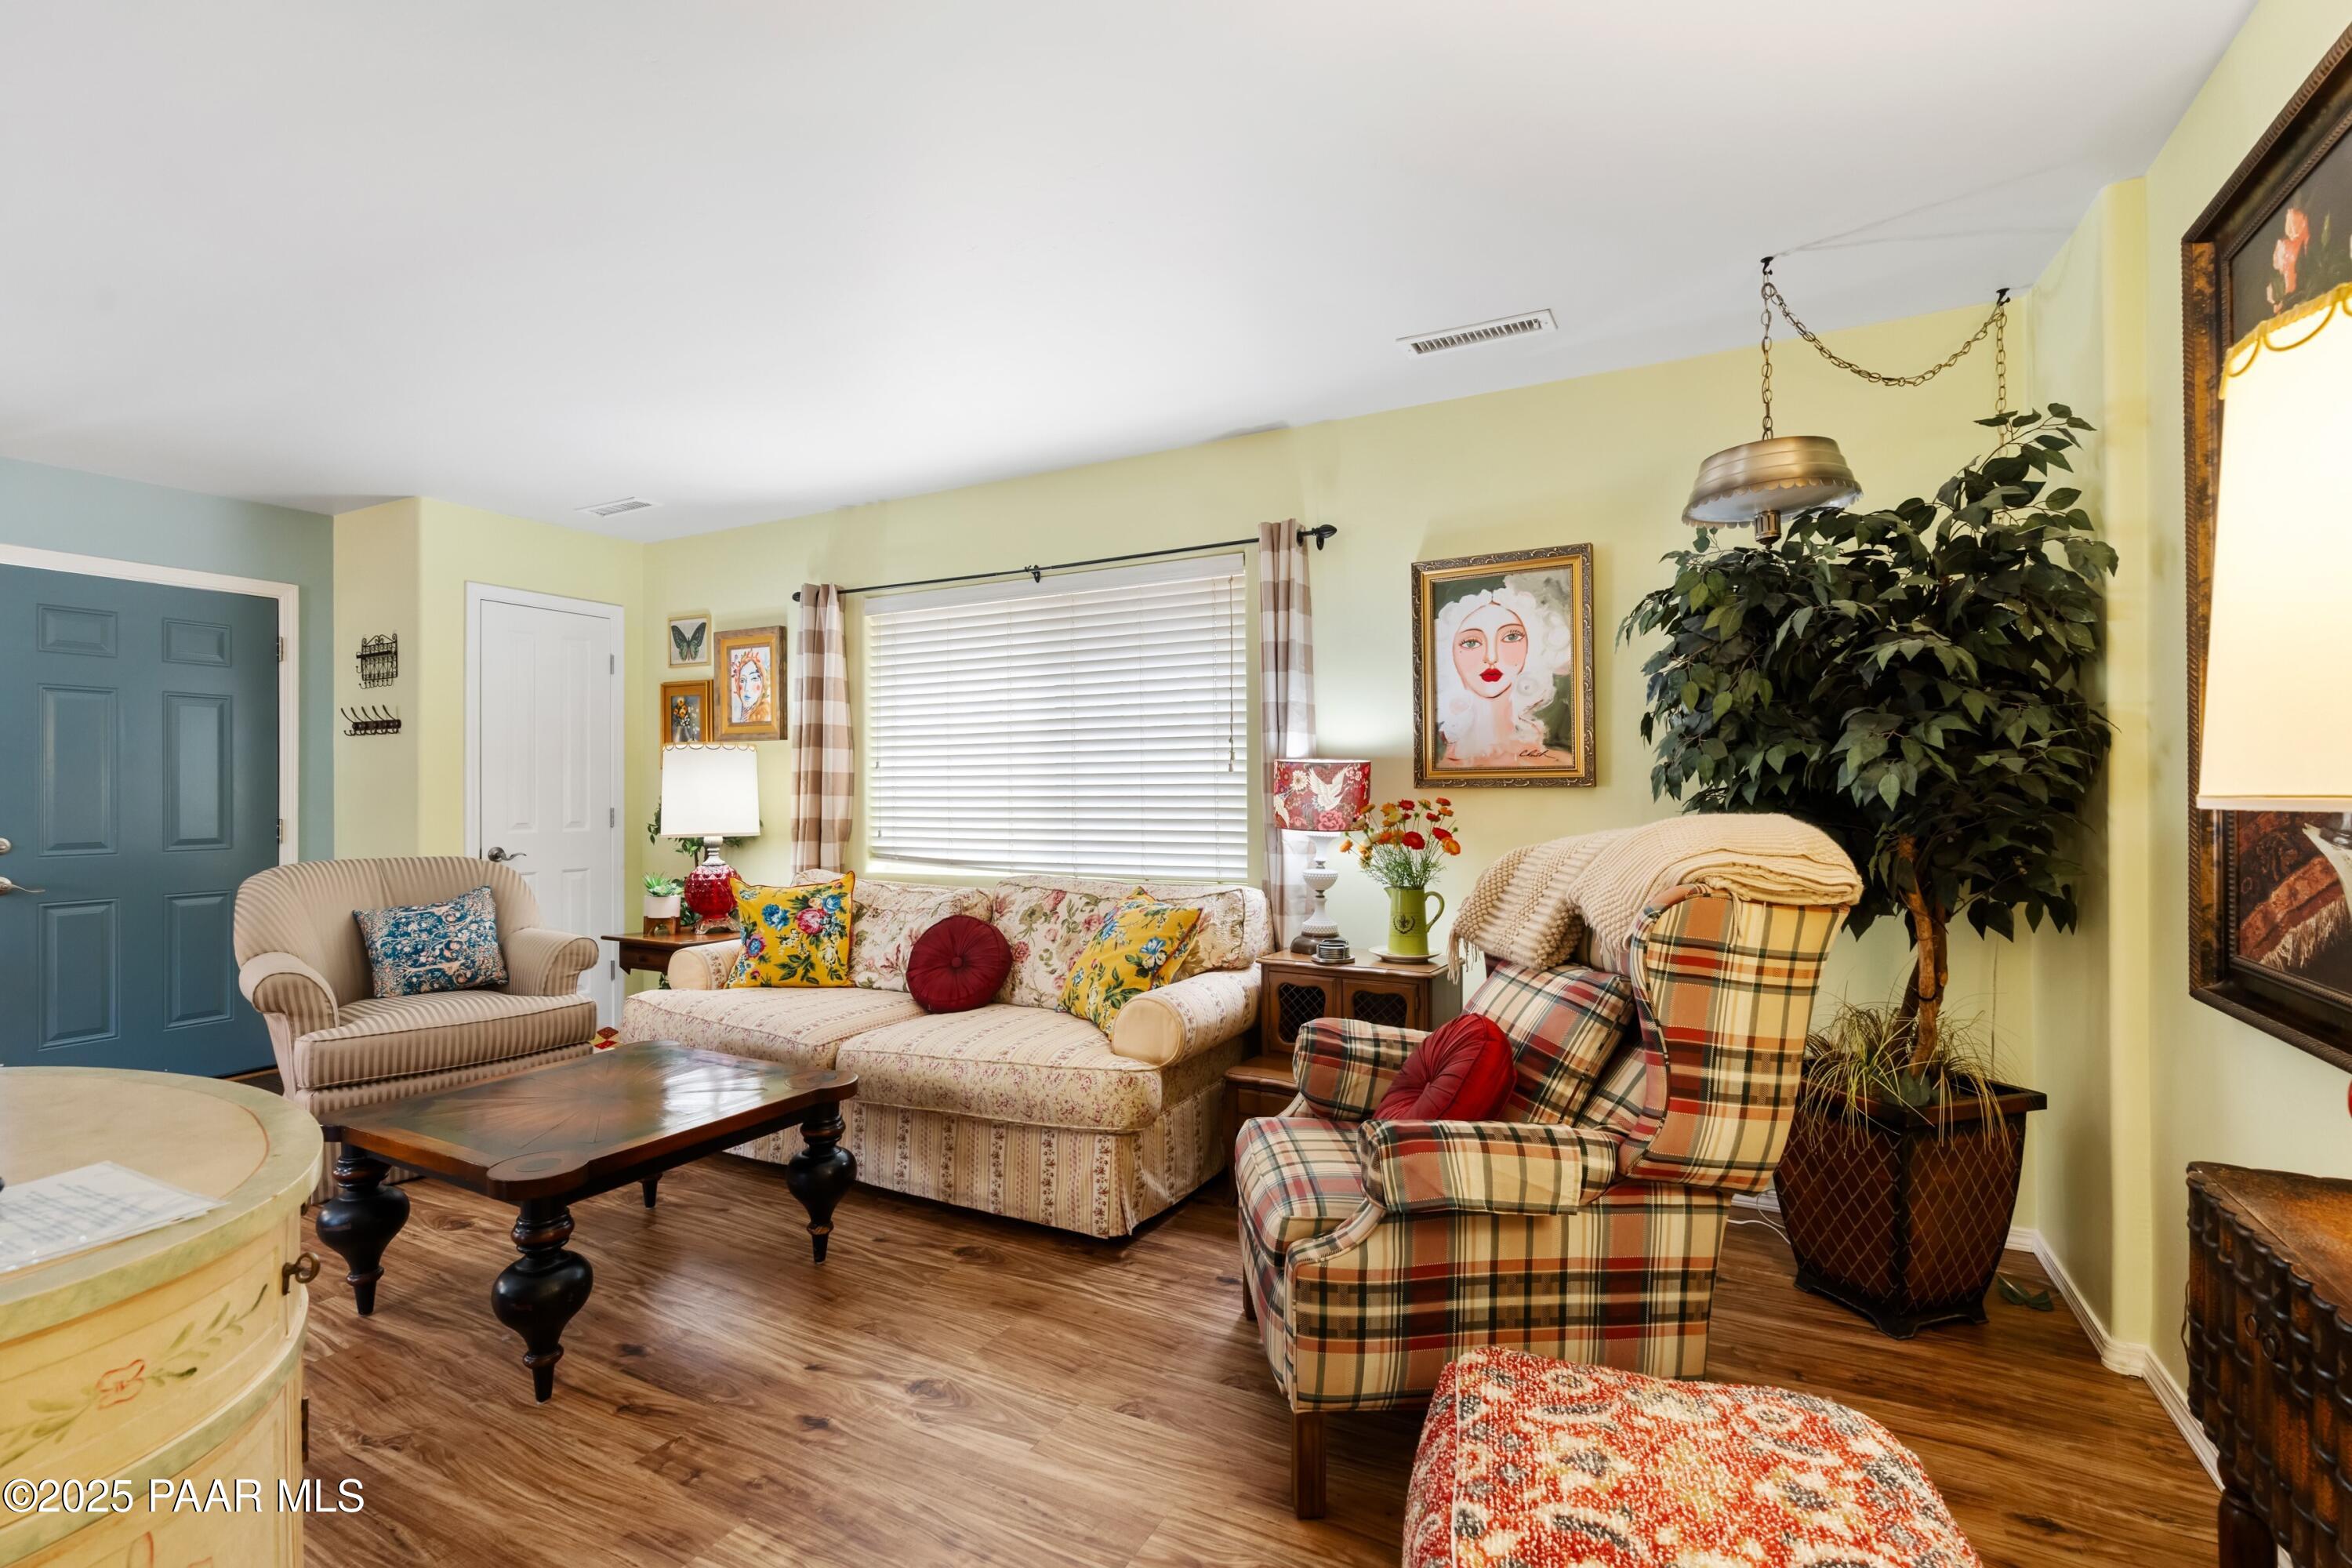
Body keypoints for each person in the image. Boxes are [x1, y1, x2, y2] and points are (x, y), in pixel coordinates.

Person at [1432, 586, 1576, 768]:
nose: (1492, 658)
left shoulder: (1562, 763)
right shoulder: (1439, 768)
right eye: (1471, 642)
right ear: (1450, 653)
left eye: (1511, 637)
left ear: (1533, 647)